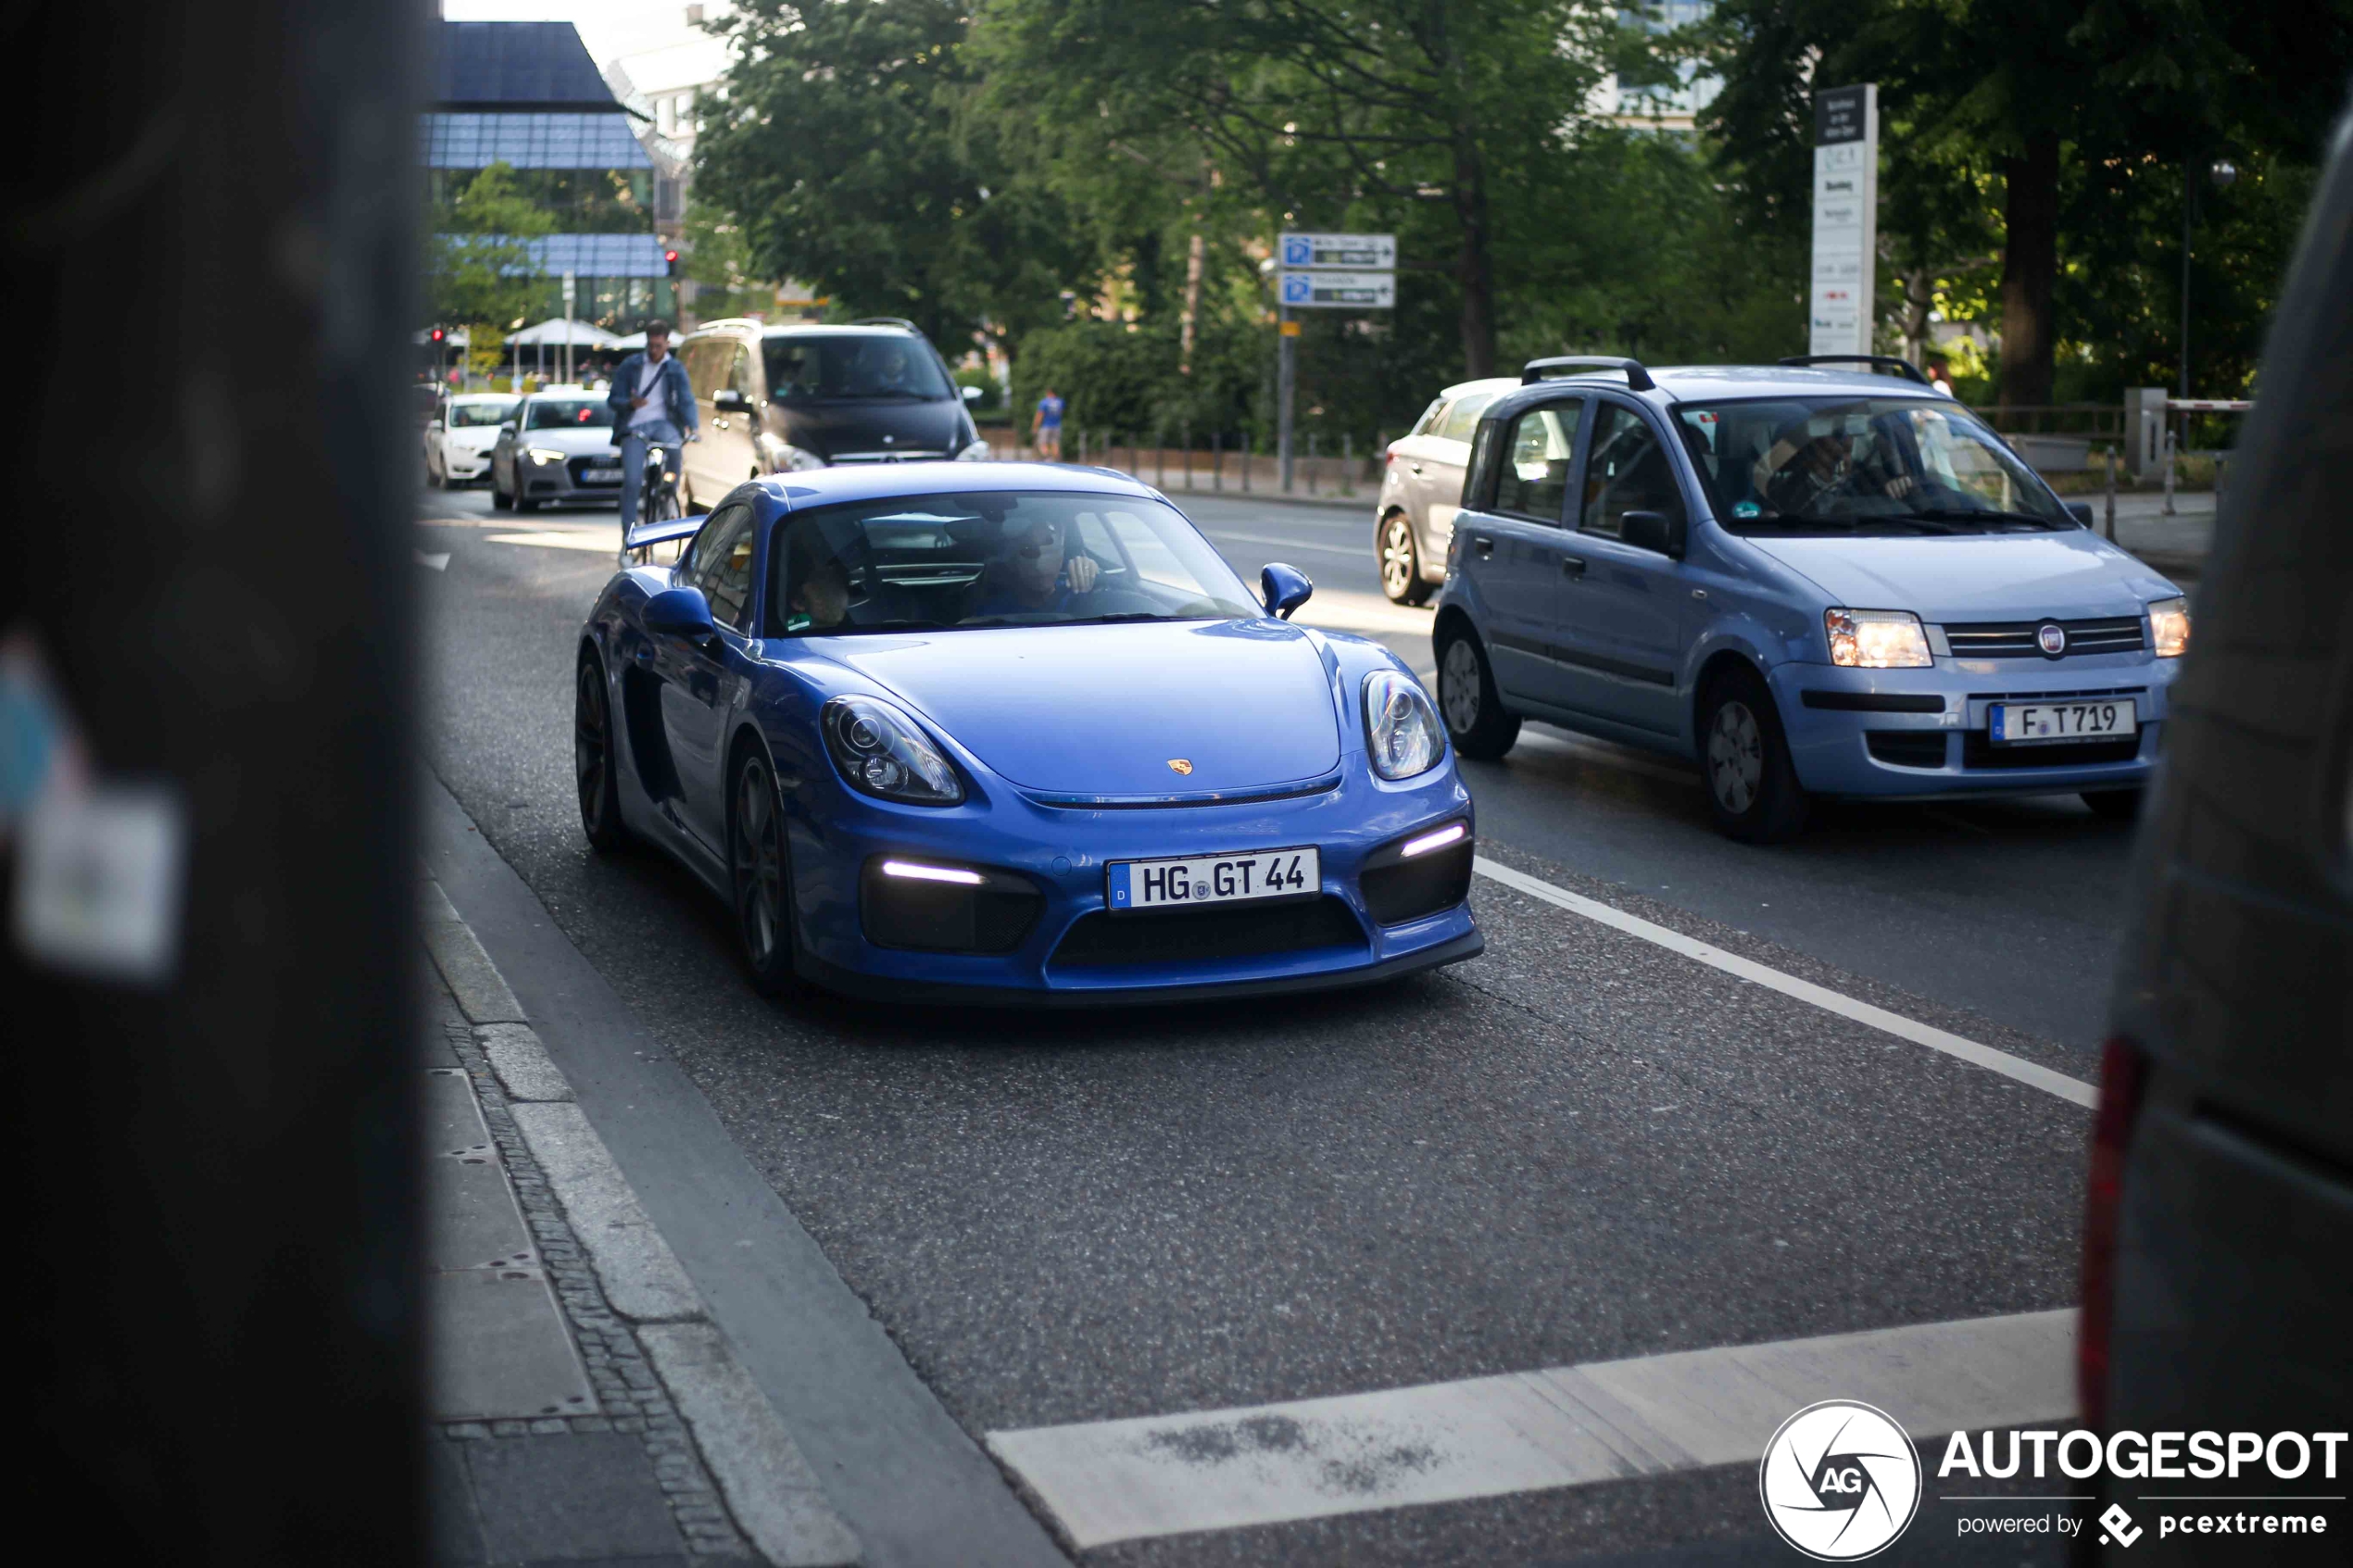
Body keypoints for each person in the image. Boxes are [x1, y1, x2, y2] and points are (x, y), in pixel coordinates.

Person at [608, 320, 699, 532]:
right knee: (632, 481)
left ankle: (668, 494)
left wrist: (693, 428)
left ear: (667, 344)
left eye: (659, 346)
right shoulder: (631, 365)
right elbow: (613, 400)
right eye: (651, 345)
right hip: (634, 426)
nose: (654, 350)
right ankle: (628, 536)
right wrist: (629, 403)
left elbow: (686, 399)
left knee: (676, 449)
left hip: (664, 424)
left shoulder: (675, 369)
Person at [962, 514, 1099, 620]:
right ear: (1013, 561)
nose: (1039, 563)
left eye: (1049, 549)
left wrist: (1097, 575)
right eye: (1028, 551)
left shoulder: (1082, 592)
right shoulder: (992, 612)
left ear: (1062, 554)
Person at [1032, 386, 1064, 459]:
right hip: (1057, 426)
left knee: (1042, 444)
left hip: (1046, 426)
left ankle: (1047, 458)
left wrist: (1035, 426)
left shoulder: (1044, 402)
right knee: (1055, 444)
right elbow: (1061, 413)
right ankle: (1055, 460)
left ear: (1049, 393)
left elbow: (1040, 415)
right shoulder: (1060, 402)